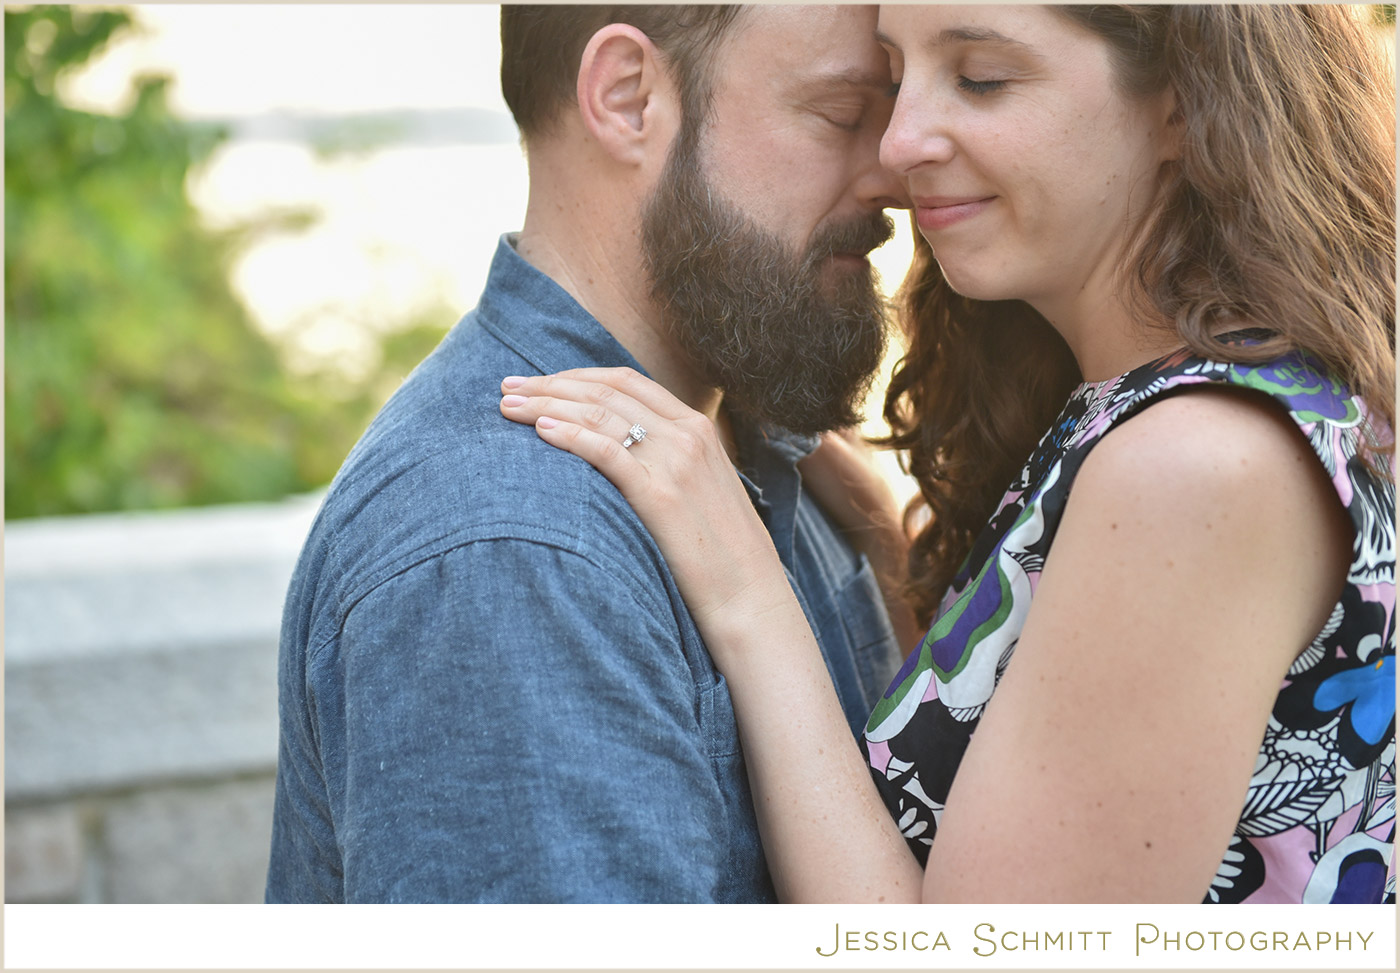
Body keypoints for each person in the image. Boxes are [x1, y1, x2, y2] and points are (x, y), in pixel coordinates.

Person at [499, 4, 1397, 903]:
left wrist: (749, 591)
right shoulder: (1199, 406)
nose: (898, 143)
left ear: (1180, 103)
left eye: (981, 78)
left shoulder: (1195, 463)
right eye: (893, 81)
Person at [264, 5, 914, 903]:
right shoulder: (514, 548)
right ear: (627, 96)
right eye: (843, 114)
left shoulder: (761, 449)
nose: (897, 171)